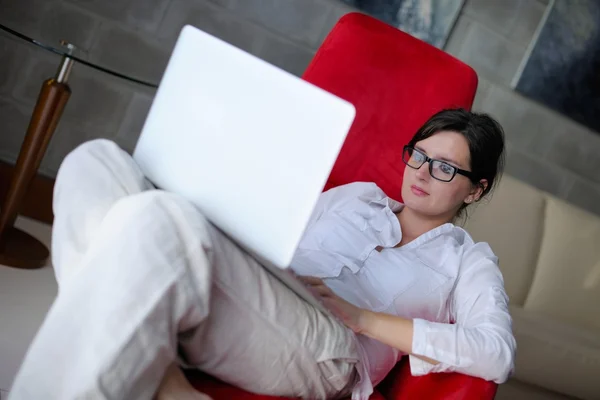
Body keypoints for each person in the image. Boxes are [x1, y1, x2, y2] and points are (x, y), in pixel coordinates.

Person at [9, 108, 515, 400]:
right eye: (420, 155)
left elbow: (496, 353)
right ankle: (166, 381)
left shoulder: (469, 261)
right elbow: (276, 229)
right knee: (96, 161)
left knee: (159, 220)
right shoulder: (359, 195)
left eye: (446, 168)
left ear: (475, 190)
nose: (423, 172)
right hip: (264, 286)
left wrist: (364, 318)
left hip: (328, 348)